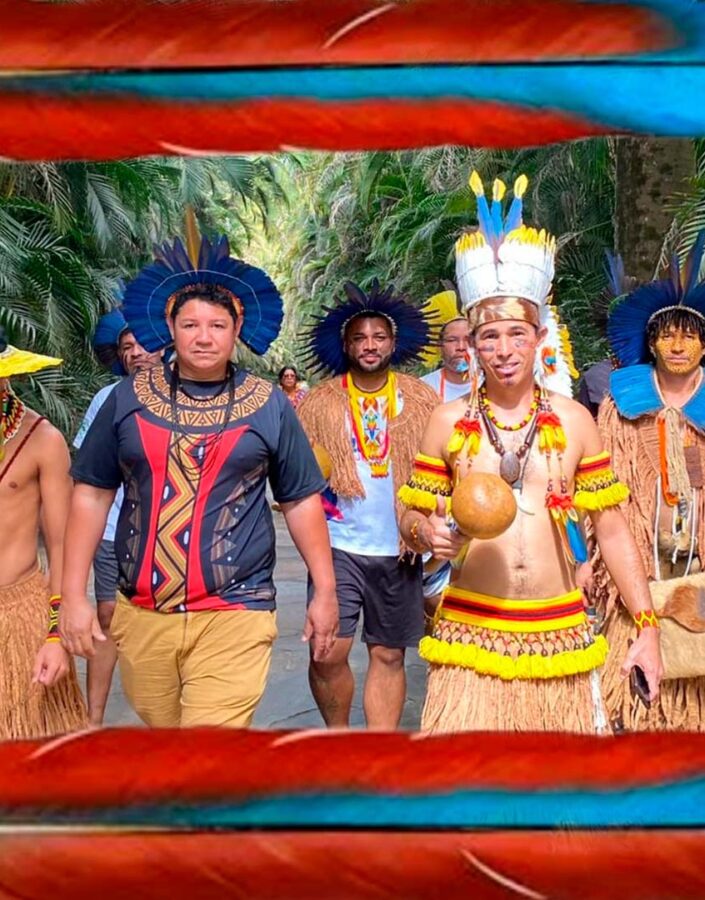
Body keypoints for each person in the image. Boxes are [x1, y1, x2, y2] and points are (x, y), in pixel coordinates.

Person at [399, 171, 662, 733]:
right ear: (471, 345)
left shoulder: (575, 421)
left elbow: (611, 530)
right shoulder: (447, 422)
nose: (503, 349)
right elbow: (411, 519)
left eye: (516, 334)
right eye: (489, 337)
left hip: (559, 632)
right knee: (475, 810)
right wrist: (428, 534)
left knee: (560, 812)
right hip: (471, 631)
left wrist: (647, 626)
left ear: (539, 338)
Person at [60, 232, 338, 729]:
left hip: (238, 608)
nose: (203, 337)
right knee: (165, 732)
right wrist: (74, 594)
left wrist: (325, 590)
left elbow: (300, 500)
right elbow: (91, 492)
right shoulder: (128, 398)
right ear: (169, 326)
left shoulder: (268, 403)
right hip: (142, 612)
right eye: (190, 324)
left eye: (217, 325)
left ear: (236, 332)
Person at [297, 279, 439, 729]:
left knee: (388, 653)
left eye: (379, 336)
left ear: (393, 342)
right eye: (360, 337)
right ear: (346, 344)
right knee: (327, 651)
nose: (370, 345)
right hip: (337, 542)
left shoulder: (420, 399)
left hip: (399, 544)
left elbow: (444, 464)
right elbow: (296, 477)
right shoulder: (319, 403)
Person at [595, 236, 705, 731]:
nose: (678, 345)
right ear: (651, 340)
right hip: (637, 574)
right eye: (667, 334)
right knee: (636, 707)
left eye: (690, 334)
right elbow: (598, 494)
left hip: (700, 574)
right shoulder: (620, 407)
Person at [73, 308, 161, 726]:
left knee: (156, 619)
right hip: (112, 531)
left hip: (166, 531)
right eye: (127, 348)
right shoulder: (105, 401)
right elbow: (88, 474)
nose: (136, 353)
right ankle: (92, 720)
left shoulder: (188, 394)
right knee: (107, 616)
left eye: (143, 343)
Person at [0, 328, 86, 739]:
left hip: (19, 617)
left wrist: (57, 635)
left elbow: (62, 544)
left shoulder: (42, 440)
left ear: (8, 376)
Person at [420, 289, 472, 403]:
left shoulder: (494, 385)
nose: (461, 347)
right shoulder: (422, 390)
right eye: (452, 340)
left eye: (468, 340)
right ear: (439, 344)